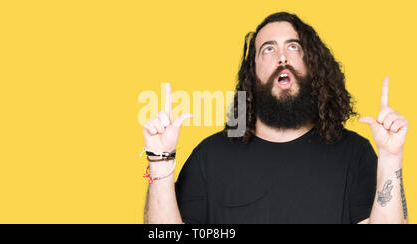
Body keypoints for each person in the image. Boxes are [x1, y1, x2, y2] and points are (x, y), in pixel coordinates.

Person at [142, 12, 409, 224]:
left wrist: (390, 158)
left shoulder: (354, 153)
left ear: (312, 62)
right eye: (268, 49)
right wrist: (159, 161)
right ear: (253, 72)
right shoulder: (210, 156)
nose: (282, 57)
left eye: (294, 46)